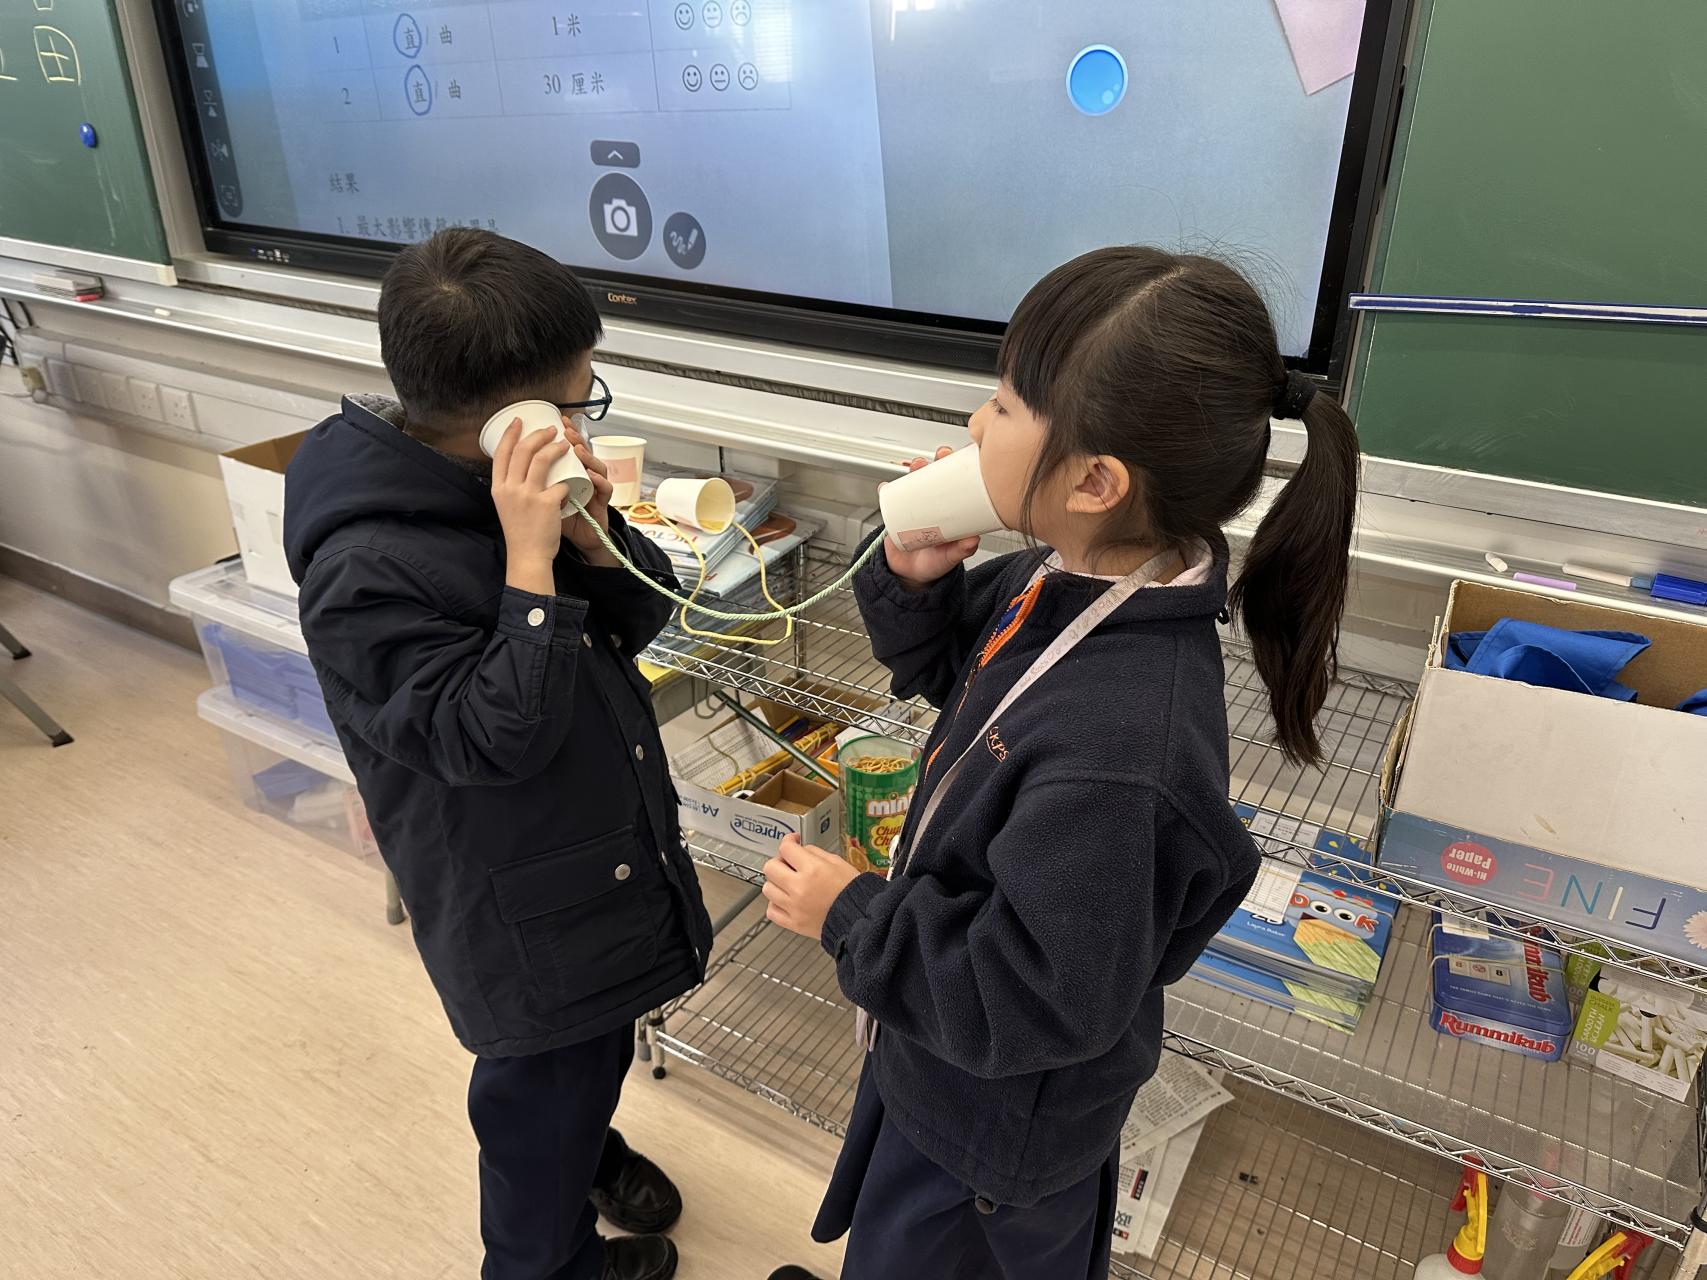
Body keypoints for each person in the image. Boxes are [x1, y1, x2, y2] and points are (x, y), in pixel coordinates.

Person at [760, 246, 1360, 1280]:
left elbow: (1033, 996)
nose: (973, 426)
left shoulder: (1121, 754)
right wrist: (912, 577)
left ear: (1094, 479)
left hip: (993, 1125)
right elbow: (955, 672)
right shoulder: (1063, 573)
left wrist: (852, 915)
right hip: (941, 1048)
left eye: (1002, 405)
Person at [283, 229, 712, 1280]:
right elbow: (487, 737)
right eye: (575, 402)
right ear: (510, 422)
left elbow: (640, 618)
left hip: (591, 866)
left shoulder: (499, 488)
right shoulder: (364, 565)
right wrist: (527, 564)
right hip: (519, 915)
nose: (581, 421)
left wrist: (591, 537)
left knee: (583, 1065)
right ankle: (544, 1261)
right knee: (537, 1098)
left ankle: (587, 1153)